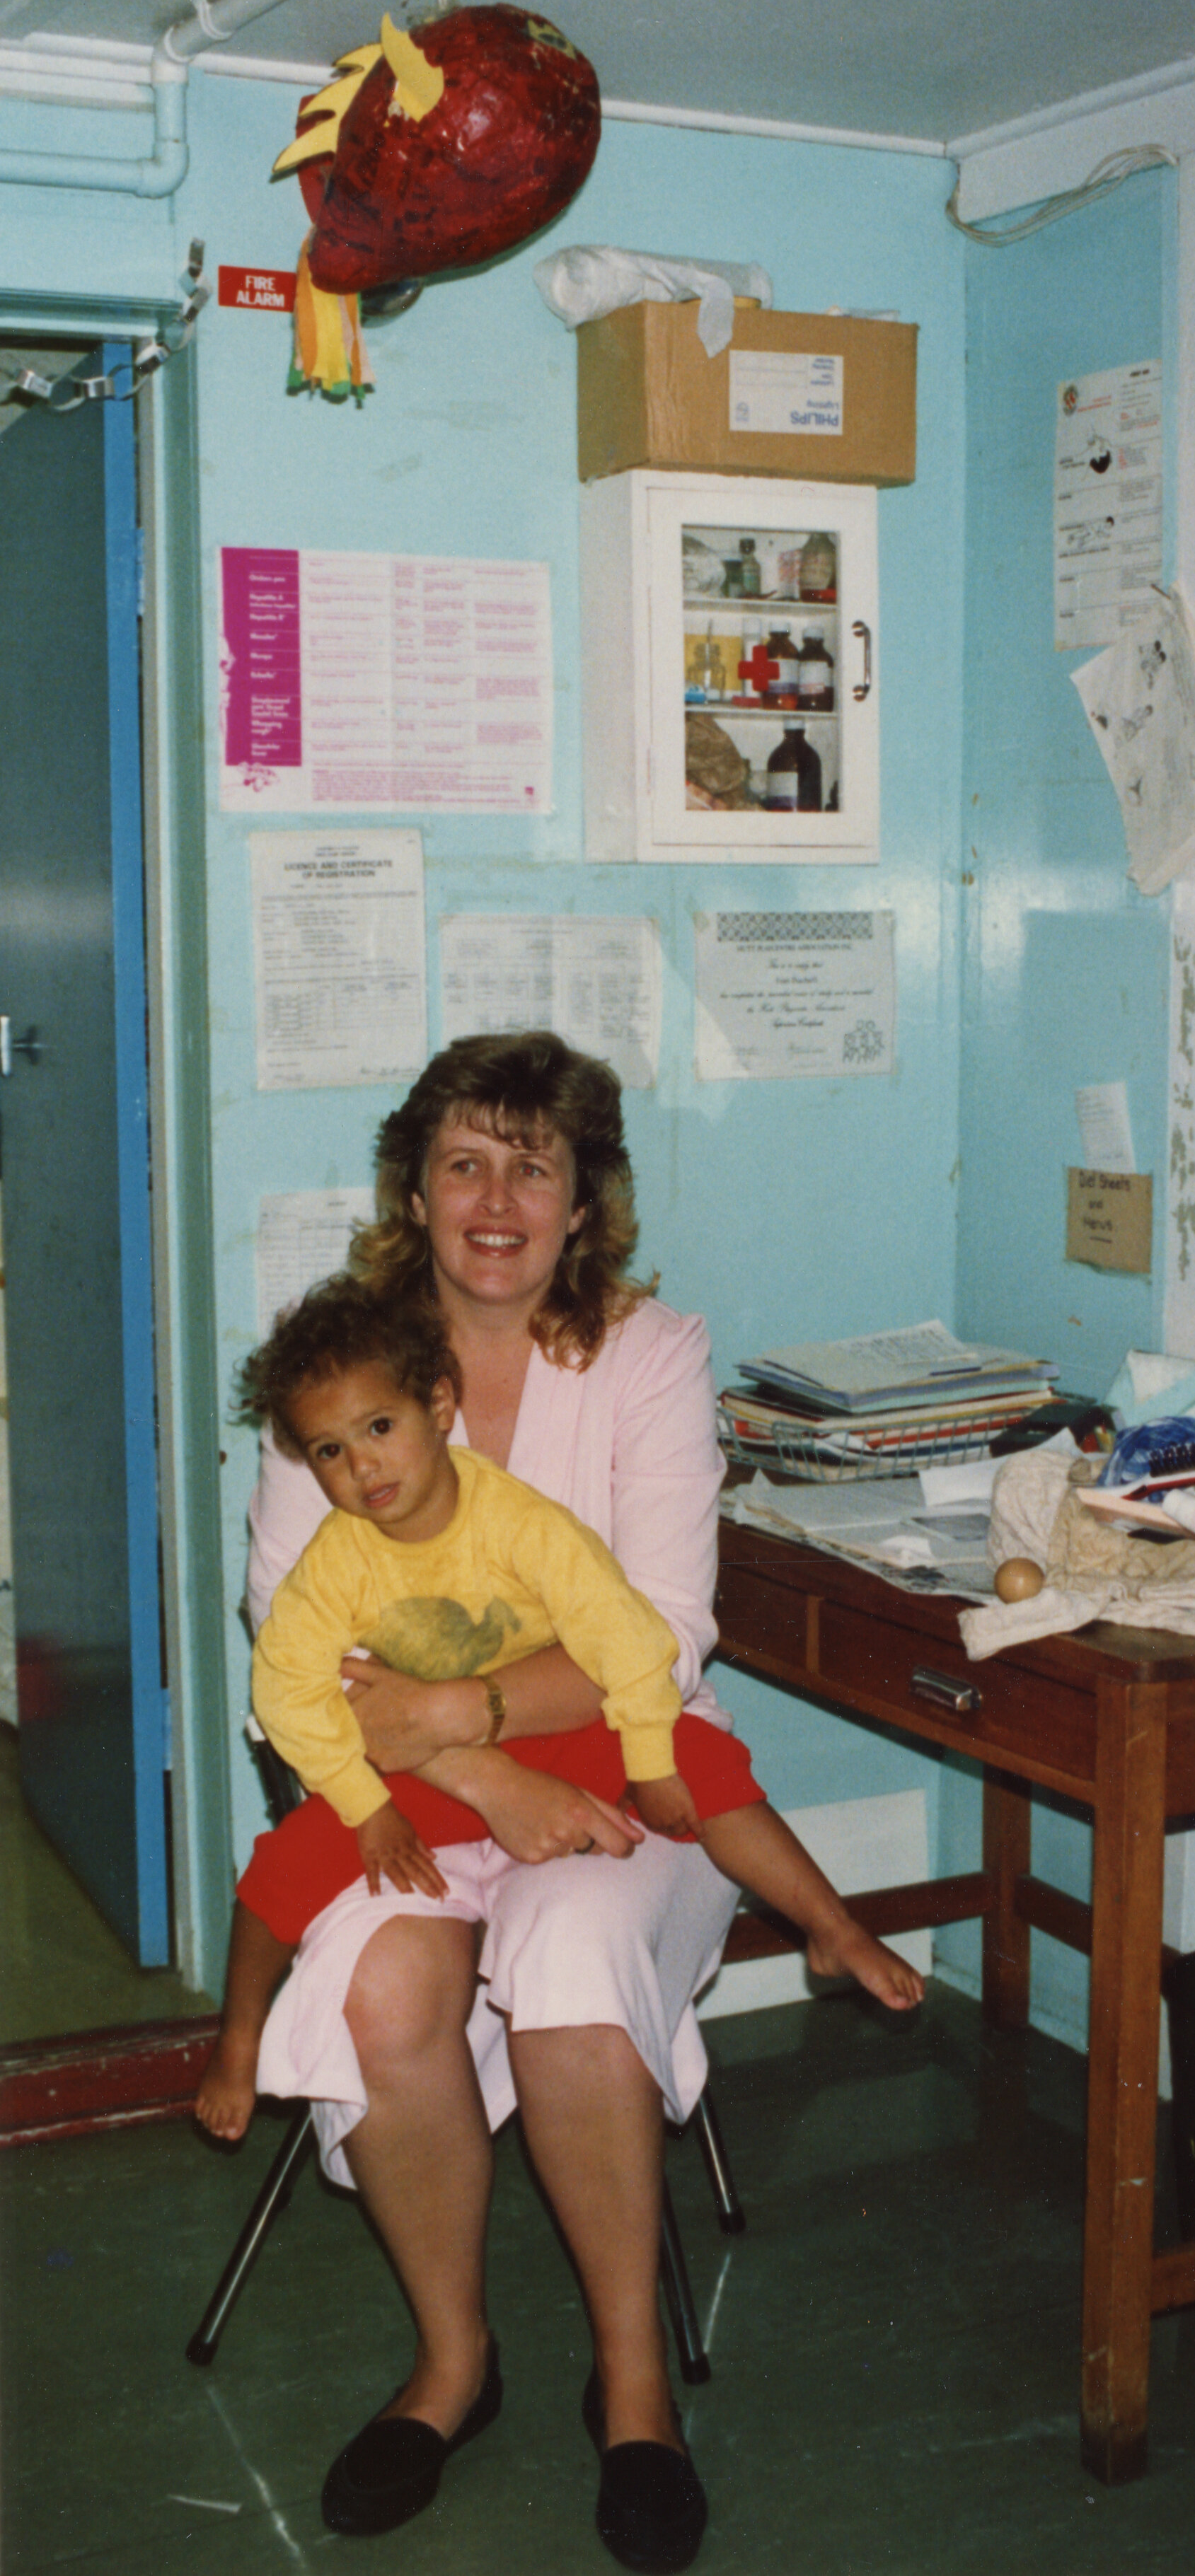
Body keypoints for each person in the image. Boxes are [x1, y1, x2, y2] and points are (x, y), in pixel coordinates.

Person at [233, 1032, 925, 2571]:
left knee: (568, 1952)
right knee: (388, 1982)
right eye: (463, 1164)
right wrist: (476, 1765)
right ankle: (452, 2360)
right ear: (413, 1191)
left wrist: (460, 1706)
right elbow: (296, 1637)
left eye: (531, 1167)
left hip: (627, 1761)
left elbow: (659, 1633)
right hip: (412, 1789)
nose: (497, 1201)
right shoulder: (342, 1363)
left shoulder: (650, 1354)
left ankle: (631, 2390)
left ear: (581, 1198)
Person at [197, 1280, 920, 2142]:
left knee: (704, 1758)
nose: (362, 1468)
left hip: (554, 1732)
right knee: (281, 1863)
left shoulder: (518, 1520)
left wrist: (647, 1760)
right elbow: (286, 1689)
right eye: (329, 1450)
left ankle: (831, 1927)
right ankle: (238, 2037)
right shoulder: (333, 1563)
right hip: (424, 1772)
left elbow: (625, 1636)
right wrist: (366, 1806)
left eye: (379, 1428)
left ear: (438, 1407)